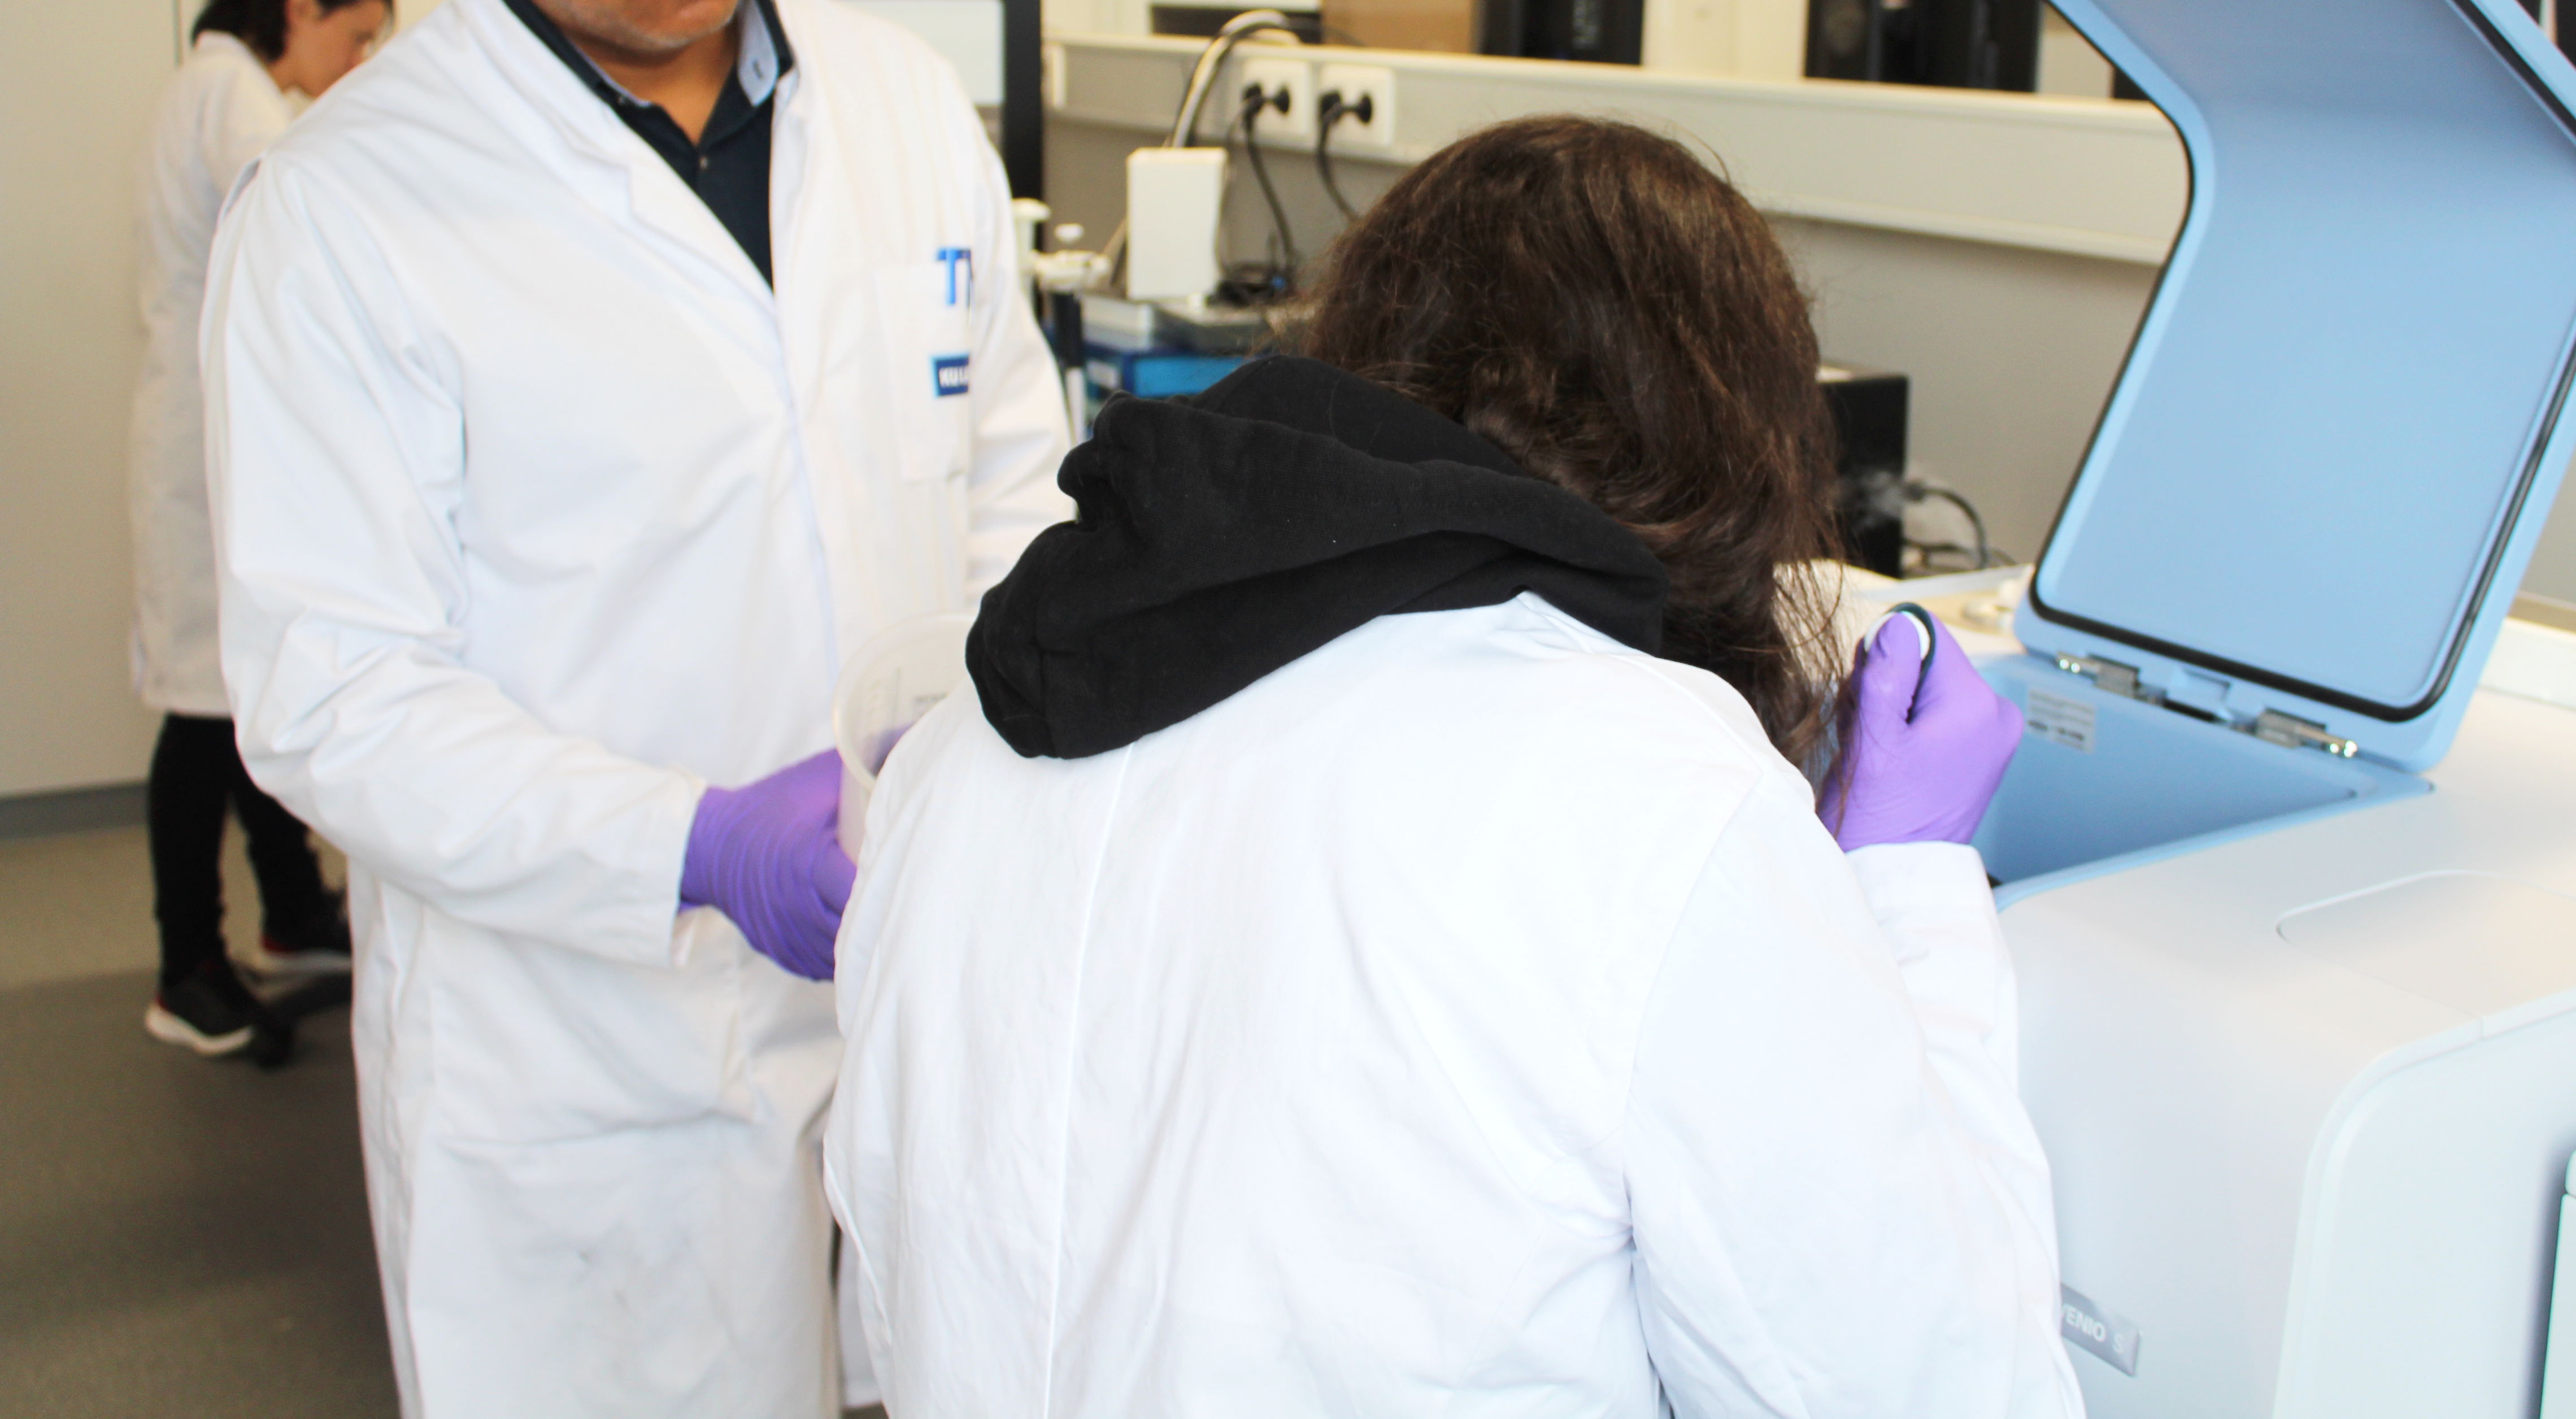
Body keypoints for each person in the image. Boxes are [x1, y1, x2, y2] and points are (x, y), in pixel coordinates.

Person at [829, 116, 2083, 1416]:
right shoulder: (1650, 799)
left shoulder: (972, 738)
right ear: (1721, 447)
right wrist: (1912, 895)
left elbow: (907, 1280)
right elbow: (1935, 1386)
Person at [201, 0, 1071, 1418]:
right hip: (584, 1054)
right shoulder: (348, 214)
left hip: (910, 976)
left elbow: (1008, 472)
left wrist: (999, 733)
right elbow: (333, 692)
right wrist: (692, 844)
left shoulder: (900, 101)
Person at [132, 0, 393, 1055]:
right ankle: (185, 965)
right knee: (205, 715)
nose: (364, 62)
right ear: (297, 9)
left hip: (211, 430)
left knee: (246, 701)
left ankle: (291, 915)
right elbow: (311, 214)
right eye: (358, 36)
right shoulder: (233, 94)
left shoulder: (218, 85)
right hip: (205, 450)